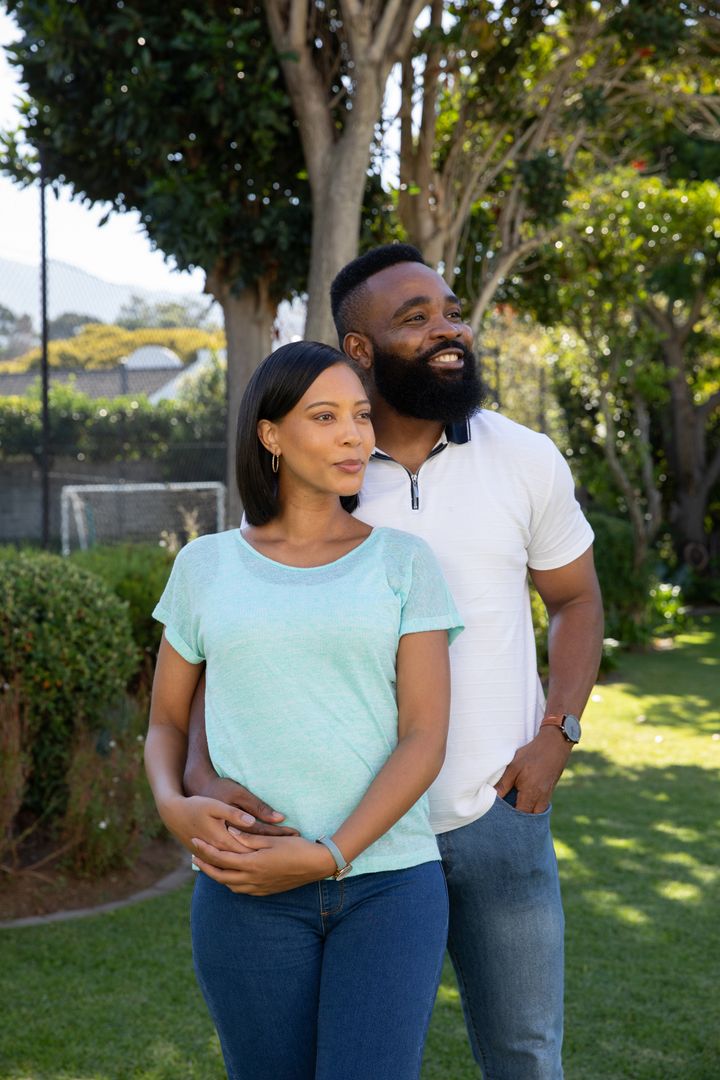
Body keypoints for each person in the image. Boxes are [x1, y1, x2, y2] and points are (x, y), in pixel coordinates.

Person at [185, 245, 605, 1080]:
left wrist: (556, 734)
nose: (449, 329)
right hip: (350, 839)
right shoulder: (320, 469)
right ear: (359, 350)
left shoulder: (524, 458)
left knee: (526, 1054)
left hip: (495, 814)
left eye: (451, 310)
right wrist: (199, 769)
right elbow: (226, 638)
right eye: (415, 319)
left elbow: (577, 601)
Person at [144, 339, 464, 1080]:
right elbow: (165, 719)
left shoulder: (404, 563)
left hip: (388, 885)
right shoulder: (205, 566)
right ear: (271, 433)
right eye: (325, 416)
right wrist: (172, 802)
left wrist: (328, 855)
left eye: (360, 415)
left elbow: (424, 737)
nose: (354, 434)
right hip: (244, 885)